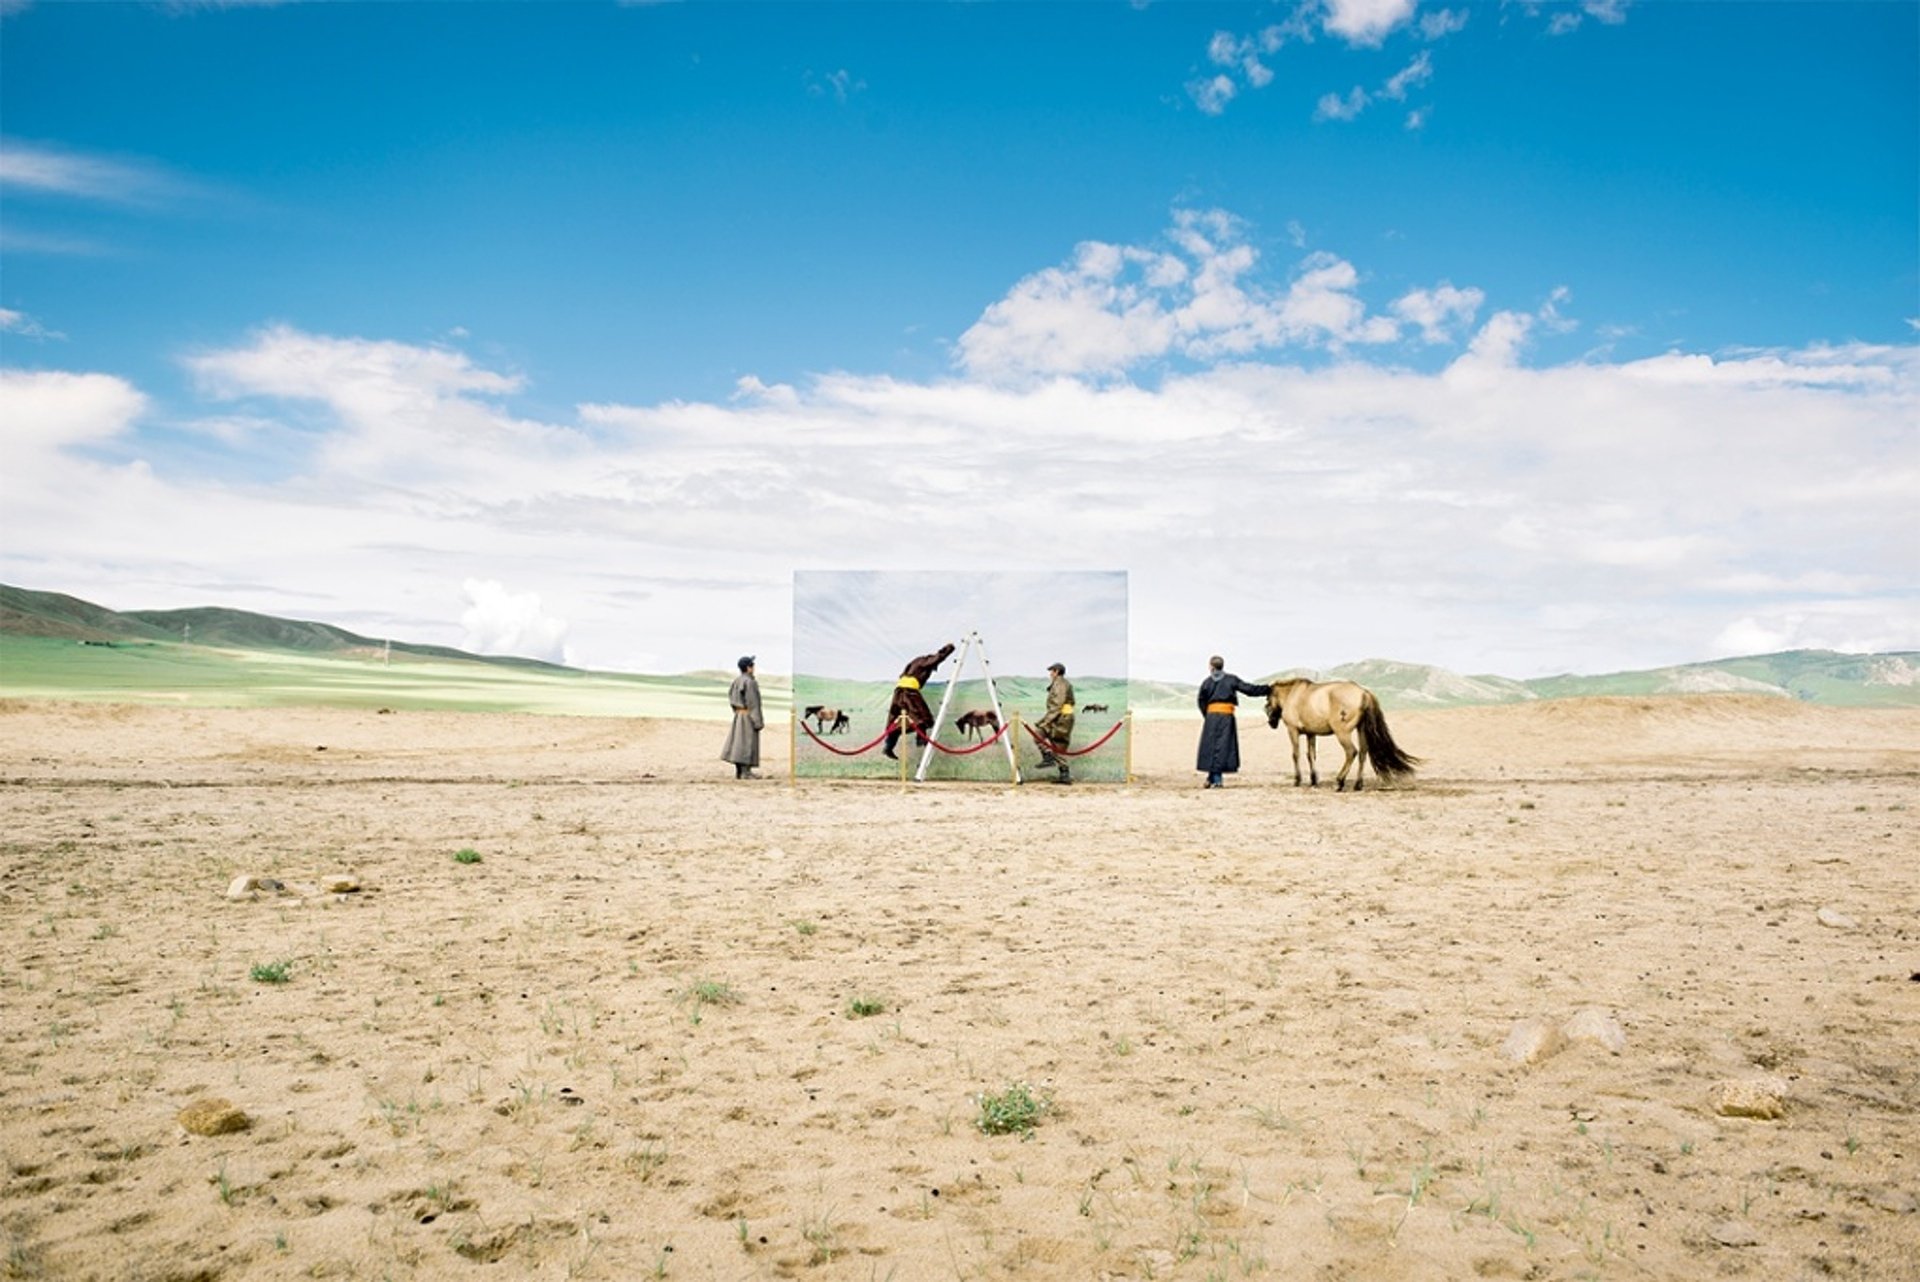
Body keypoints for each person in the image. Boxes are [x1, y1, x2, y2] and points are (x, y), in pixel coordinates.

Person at [1196, 655, 1269, 788]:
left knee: (1212, 746)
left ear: (1211, 667)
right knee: (1222, 747)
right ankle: (1216, 780)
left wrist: (1207, 715)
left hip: (1211, 717)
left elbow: (1201, 700)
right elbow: (1249, 689)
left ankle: (1212, 778)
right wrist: (1267, 689)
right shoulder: (1231, 680)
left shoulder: (1206, 682)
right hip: (1226, 716)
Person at [882, 642, 955, 759]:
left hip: (899, 692)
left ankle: (888, 746)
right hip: (909, 691)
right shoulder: (925, 660)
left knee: (894, 721)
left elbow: (902, 675)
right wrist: (950, 648)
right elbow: (938, 657)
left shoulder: (913, 662)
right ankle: (920, 739)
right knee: (924, 717)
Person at [1031, 661, 1075, 785]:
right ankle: (1064, 775)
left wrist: (1046, 721)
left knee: (1040, 735)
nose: (1050, 674)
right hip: (1061, 717)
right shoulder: (1059, 683)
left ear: (1057, 672)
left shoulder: (1060, 684)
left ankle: (1048, 757)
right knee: (1057, 745)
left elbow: (1058, 704)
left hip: (1061, 718)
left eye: (1052, 671)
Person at [721, 655, 763, 779]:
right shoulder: (750, 682)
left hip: (739, 715)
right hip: (747, 716)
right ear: (749, 668)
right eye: (752, 666)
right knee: (747, 744)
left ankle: (739, 772)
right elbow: (753, 703)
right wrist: (758, 721)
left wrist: (738, 712)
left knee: (738, 744)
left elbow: (731, 698)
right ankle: (746, 772)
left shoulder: (737, 681)